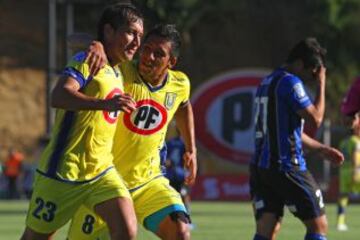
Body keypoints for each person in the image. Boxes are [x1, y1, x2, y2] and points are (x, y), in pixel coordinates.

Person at [21, 3, 143, 240]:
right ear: (108, 31)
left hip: (100, 172)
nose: (136, 41)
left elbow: (73, 37)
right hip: (63, 172)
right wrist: (105, 104)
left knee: (126, 229)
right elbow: (58, 96)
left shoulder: (119, 70)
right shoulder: (87, 60)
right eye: (130, 32)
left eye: (140, 35)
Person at [67, 24, 197, 240]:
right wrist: (96, 45)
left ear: (171, 62)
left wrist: (191, 149)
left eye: (159, 53)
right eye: (146, 49)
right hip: (104, 183)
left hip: (149, 182)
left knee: (180, 232)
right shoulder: (121, 70)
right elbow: (72, 38)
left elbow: (184, 106)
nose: (149, 56)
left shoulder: (180, 83)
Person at [250, 37, 344, 240]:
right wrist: (322, 82)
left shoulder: (267, 82)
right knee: (319, 226)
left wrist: (320, 149)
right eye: (312, 72)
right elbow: (316, 119)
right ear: (300, 63)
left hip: (261, 168)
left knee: (267, 229)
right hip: (286, 166)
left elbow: (283, 130)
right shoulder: (290, 82)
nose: (312, 77)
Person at [336, 113, 360, 231]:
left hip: (343, 171)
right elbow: (356, 155)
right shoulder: (356, 141)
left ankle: (340, 223)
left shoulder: (343, 142)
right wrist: (356, 171)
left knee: (343, 197)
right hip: (354, 171)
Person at [164, 130, 192, 213]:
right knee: (181, 194)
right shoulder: (184, 143)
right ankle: (182, 216)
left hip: (177, 174)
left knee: (182, 194)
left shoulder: (172, 142)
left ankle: (185, 215)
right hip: (176, 174)